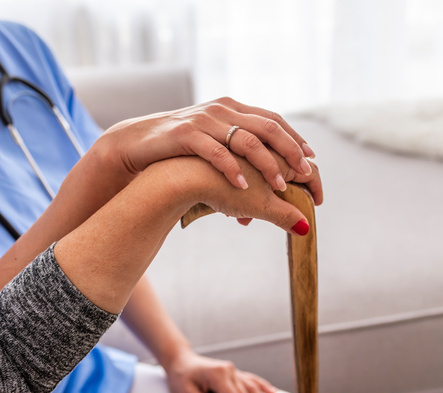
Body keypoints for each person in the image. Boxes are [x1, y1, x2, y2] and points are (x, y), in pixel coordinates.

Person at [0, 20, 322, 393]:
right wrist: (126, 167)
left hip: (97, 378)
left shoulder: (18, 47)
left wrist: (176, 355)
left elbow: (98, 235)